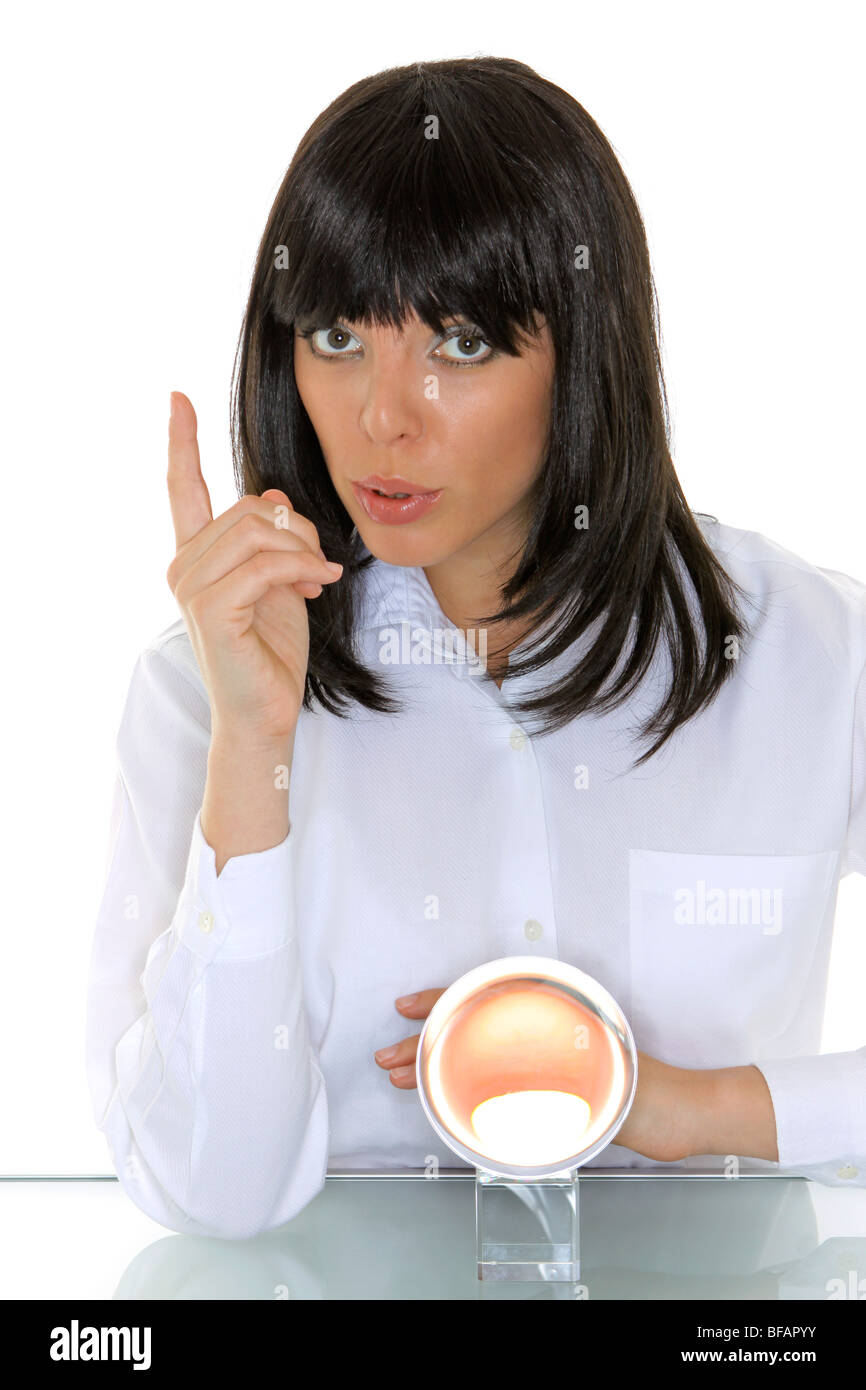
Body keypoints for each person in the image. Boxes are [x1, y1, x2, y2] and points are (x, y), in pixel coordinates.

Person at [85, 56, 866, 1240]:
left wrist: (697, 1108)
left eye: (456, 343)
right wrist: (254, 746)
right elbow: (210, 1194)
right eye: (340, 335)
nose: (382, 415)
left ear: (583, 350)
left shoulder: (804, 655)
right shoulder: (203, 691)